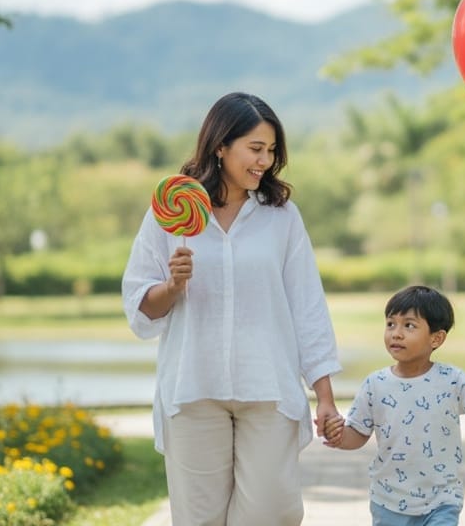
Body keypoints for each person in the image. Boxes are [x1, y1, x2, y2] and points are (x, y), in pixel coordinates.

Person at [121, 92, 341, 526]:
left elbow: (307, 306)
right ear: (220, 146)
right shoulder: (169, 214)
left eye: (272, 151)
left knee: (273, 511)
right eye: (255, 149)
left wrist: (326, 398)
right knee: (198, 519)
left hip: (268, 387)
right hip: (193, 387)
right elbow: (139, 304)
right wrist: (172, 285)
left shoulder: (282, 217)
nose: (265, 161)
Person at [323, 285, 465, 526]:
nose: (396, 333)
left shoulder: (452, 380)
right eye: (390, 324)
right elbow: (357, 434)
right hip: (389, 500)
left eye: (409, 325)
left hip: (441, 502)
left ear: (436, 338)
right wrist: (337, 435)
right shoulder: (375, 384)